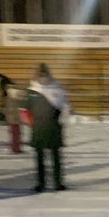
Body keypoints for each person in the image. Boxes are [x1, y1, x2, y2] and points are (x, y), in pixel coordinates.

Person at [27, 64, 69, 192]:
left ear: (48, 73)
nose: (42, 75)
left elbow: (66, 108)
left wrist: (61, 121)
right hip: (38, 128)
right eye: (39, 73)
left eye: (44, 73)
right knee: (39, 158)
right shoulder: (31, 91)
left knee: (56, 157)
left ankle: (58, 182)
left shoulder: (58, 90)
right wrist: (31, 124)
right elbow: (25, 110)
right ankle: (41, 183)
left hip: (54, 127)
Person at [4, 82, 26, 153]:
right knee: (17, 134)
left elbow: (7, 109)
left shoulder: (8, 96)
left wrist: (7, 118)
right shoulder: (18, 94)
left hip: (12, 117)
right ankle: (16, 148)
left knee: (14, 134)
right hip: (17, 117)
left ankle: (14, 148)